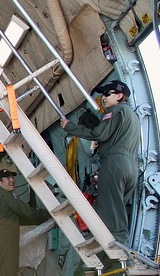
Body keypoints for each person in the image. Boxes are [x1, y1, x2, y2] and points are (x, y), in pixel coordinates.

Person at [60, 79, 140, 243]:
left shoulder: (115, 111)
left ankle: (117, 246)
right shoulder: (133, 116)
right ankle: (120, 244)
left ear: (119, 95)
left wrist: (70, 127)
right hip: (130, 167)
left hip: (115, 163)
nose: (103, 98)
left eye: (106, 94)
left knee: (109, 210)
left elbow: (99, 134)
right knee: (117, 208)